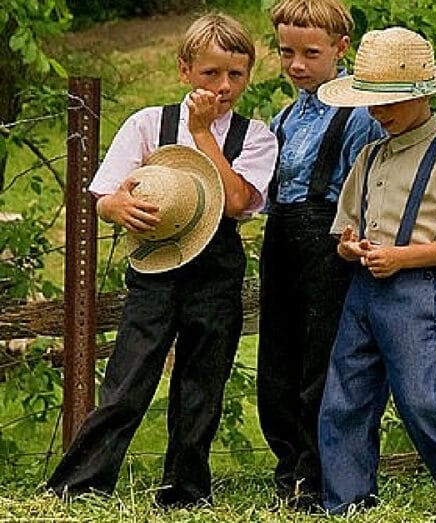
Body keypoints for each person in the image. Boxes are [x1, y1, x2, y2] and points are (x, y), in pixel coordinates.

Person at [46, 13, 278, 507]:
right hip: (153, 267)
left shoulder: (255, 136)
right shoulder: (149, 123)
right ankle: (79, 485)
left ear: (249, 76)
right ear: (184, 70)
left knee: (202, 385)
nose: (223, 86)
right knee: (128, 380)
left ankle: (185, 491)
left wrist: (204, 135)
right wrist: (117, 207)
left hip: (216, 268)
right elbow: (105, 195)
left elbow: (237, 201)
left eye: (235, 75)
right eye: (211, 73)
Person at [314, 27, 436, 515]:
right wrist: (350, 249)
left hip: (413, 295)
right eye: (371, 103)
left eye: (390, 102)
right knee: (344, 399)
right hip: (361, 293)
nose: (378, 113)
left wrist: (401, 257)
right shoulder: (369, 155)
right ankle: (347, 501)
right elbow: (345, 230)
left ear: (423, 95)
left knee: (423, 402)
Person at [257, 0, 383, 508]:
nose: (297, 65)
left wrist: (353, 240)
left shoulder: (357, 115)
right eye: (287, 52)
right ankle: (288, 467)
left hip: (331, 242)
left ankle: (317, 472)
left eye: (311, 53)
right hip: (282, 239)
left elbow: (366, 189)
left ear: (340, 49)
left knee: (321, 361)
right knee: (277, 360)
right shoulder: (282, 117)